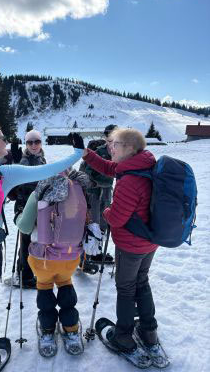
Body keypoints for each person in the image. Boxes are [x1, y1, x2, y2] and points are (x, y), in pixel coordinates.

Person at [0, 123, 84, 372]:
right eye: (2, 139)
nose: (6, 143)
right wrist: (77, 153)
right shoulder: (3, 172)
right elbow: (48, 170)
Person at [82, 127, 159, 359]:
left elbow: (116, 218)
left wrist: (105, 211)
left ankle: (124, 336)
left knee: (125, 288)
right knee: (142, 283)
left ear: (129, 148)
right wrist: (86, 154)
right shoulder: (142, 166)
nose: (109, 148)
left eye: (114, 144)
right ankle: (149, 332)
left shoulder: (130, 181)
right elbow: (108, 167)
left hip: (131, 245)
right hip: (149, 242)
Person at [14, 168, 90, 356]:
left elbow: (24, 226)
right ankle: (71, 329)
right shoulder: (79, 190)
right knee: (65, 284)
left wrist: (17, 216)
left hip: (43, 258)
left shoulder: (40, 191)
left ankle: (48, 330)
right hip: (71, 256)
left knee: (45, 287)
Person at [5, 129, 46, 289]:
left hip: (40, 205)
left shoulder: (42, 159)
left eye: (37, 141)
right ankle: (24, 275)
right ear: (26, 144)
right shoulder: (23, 159)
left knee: (33, 240)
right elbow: (18, 179)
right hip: (24, 206)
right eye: (30, 142)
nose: (34, 145)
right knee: (26, 240)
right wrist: (15, 163)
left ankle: (26, 272)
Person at [79, 125, 115, 266]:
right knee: (92, 223)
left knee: (103, 224)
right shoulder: (99, 152)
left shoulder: (119, 152)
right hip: (94, 193)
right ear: (106, 137)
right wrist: (98, 183)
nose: (112, 139)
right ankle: (85, 257)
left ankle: (97, 253)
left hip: (106, 193)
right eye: (109, 136)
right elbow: (86, 174)